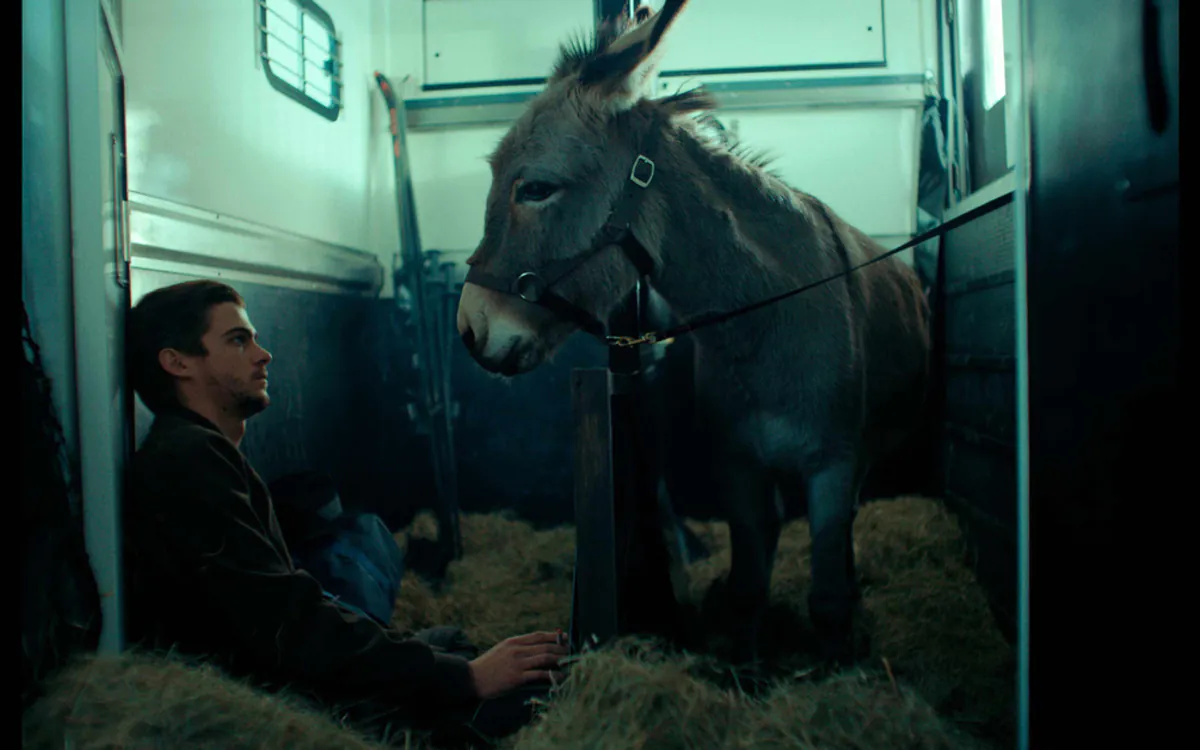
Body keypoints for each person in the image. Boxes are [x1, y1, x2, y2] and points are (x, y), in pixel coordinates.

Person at [123, 279, 567, 747]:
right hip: (261, 711)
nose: (263, 354)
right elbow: (288, 624)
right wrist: (466, 678)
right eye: (238, 340)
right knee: (509, 700)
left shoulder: (203, 451)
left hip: (285, 684)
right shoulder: (188, 461)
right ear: (177, 362)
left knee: (451, 643)